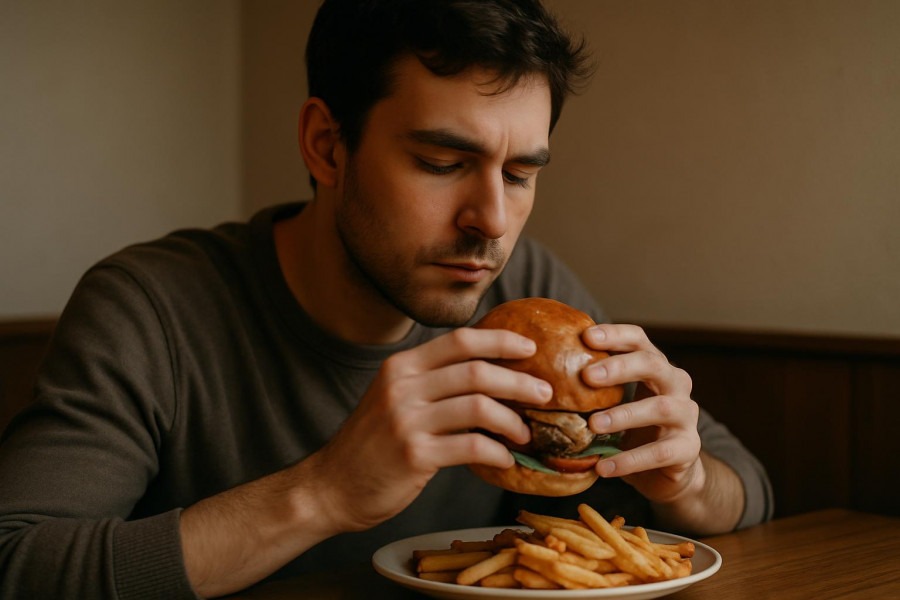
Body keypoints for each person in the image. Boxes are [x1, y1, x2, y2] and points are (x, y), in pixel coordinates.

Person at [0, 0, 773, 598]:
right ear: (327, 146)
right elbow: (16, 562)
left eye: (519, 174)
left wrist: (688, 481)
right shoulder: (150, 307)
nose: (492, 221)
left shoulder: (526, 288)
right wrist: (326, 490)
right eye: (442, 161)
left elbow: (749, 490)